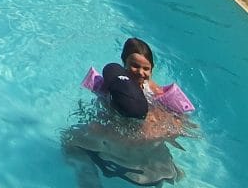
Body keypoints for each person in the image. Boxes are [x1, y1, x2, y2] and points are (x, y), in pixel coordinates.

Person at [65, 36, 195, 183]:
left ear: (152, 69)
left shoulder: (156, 93)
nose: (140, 72)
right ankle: (87, 177)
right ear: (124, 63)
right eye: (134, 66)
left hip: (144, 146)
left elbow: (182, 121)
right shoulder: (113, 85)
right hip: (114, 134)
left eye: (146, 68)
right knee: (69, 139)